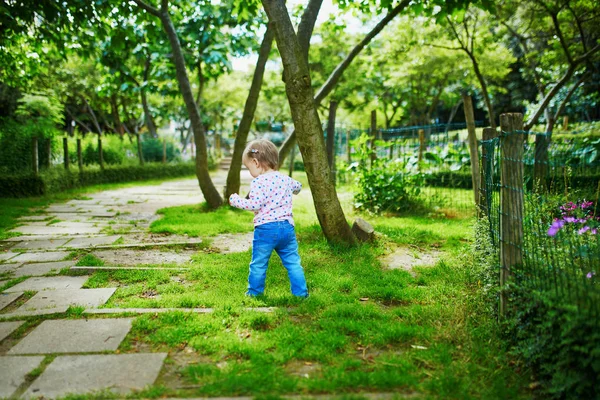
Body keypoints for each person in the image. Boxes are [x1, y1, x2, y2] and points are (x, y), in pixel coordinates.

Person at [229, 139, 309, 298]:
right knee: (293, 263)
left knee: (258, 264)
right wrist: (290, 190)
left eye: (248, 167)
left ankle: (254, 294)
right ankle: (301, 294)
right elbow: (298, 186)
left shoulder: (258, 181)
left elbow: (255, 205)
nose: (250, 171)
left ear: (256, 162)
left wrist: (236, 200)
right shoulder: (285, 179)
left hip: (266, 230)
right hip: (287, 228)